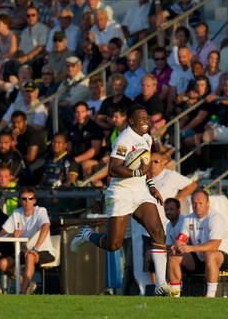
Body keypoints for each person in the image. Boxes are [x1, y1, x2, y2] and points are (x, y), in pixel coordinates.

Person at [71, 104, 171, 296]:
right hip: (120, 193)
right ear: (131, 121)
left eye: (147, 119)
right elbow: (113, 169)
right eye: (141, 119)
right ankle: (87, 234)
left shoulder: (147, 138)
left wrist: (151, 186)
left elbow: (145, 168)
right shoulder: (123, 140)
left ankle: (161, 284)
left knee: (158, 232)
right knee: (113, 244)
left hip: (140, 191)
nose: (146, 122)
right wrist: (137, 172)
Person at [168, 190, 228, 298]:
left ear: (208, 203)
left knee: (210, 254)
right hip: (198, 257)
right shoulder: (188, 219)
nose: (197, 206)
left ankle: (210, 296)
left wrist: (191, 248)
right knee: (173, 255)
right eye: (194, 203)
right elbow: (181, 239)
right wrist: (176, 246)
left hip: (220, 256)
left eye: (200, 203)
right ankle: (174, 296)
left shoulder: (215, 218)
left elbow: (214, 245)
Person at [0, 187, 56, 294]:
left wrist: (35, 248)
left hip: (44, 251)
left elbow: (46, 227)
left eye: (30, 199)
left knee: (30, 256)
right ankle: (28, 284)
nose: (27, 202)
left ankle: (23, 292)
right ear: (20, 201)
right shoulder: (16, 213)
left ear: (34, 200)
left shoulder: (41, 211)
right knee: (2, 264)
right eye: (24, 199)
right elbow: (2, 233)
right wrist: (12, 234)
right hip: (24, 251)